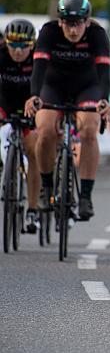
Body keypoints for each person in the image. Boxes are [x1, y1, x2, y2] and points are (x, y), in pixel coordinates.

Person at [25, 0, 110, 221]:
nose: (73, 31)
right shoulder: (49, 32)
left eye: (78, 24)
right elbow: (39, 68)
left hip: (87, 86)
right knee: (44, 129)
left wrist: (104, 99)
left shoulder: (97, 34)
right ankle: (46, 187)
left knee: (90, 129)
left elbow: (104, 72)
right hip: (54, 85)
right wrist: (34, 96)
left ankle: (85, 196)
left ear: (87, 21)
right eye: (68, 24)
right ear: (60, 21)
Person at [1, 19, 40, 233]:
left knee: (34, 151)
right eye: (12, 45)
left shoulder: (38, 59)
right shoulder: (1, 55)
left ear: (32, 44)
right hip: (4, 104)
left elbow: (46, 85)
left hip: (29, 108)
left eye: (23, 46)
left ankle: (32, 209)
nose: (17, 51)